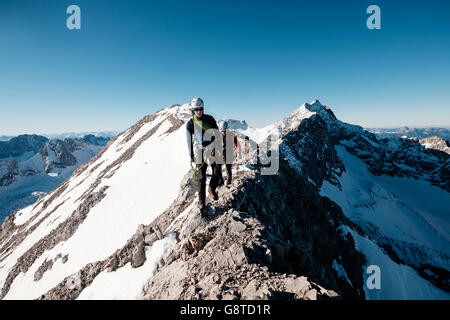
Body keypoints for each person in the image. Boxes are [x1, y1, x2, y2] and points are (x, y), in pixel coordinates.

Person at [186, 98, 221, 216]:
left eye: (200, 109)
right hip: (199, 151)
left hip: (211, 148)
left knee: (217, 170)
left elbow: (216, 133)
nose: (199, 111)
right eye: (196, 110)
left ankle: (212, 188)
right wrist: (191, 155)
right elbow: (188, 140)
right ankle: (201, 203)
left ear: (203, 109)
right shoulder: (190, 123)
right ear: (193, 110)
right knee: (201, 178)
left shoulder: (209, 119)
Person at [217, 121, 240, 186]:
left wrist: (238, 150)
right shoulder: (218, 135)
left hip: (229, 153)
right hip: (221, 154)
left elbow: (237, 144)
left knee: (228, 168)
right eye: (222, 131)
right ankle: (220, 182)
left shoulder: (231, 134)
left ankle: (228, 183)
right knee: (218, 168)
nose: (223, 133)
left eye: (224, 131)